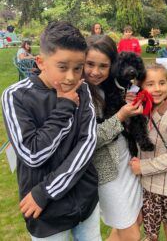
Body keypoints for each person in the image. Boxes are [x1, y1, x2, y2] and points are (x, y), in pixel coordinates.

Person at [2, 21, 100, 241]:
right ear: (41, 62)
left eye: (78, 68)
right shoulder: (15, 96)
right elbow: (33, 154)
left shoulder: (82, 89)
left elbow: (88, 144)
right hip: (46, 213)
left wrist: (47, 190)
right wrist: (64, 107)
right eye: (62, 67)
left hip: (85, 200)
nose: (71, 77)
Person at [84, 34, 143, 241]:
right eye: (89, 64)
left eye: (103, 65)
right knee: (131, 234)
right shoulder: (78, 94)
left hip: (127, 160)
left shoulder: (114, 85)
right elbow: (90, 141)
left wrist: (130, 103)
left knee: (135, 219)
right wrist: (121, 115)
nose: (95, 72)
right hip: (106, 172)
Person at [129, 63, 167, 241]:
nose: (157, 89)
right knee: (150, 232)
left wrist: (143, 166)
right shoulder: (140, 112)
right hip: (147, 187)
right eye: (150, 84)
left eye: (162, 83)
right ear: (140, 86)